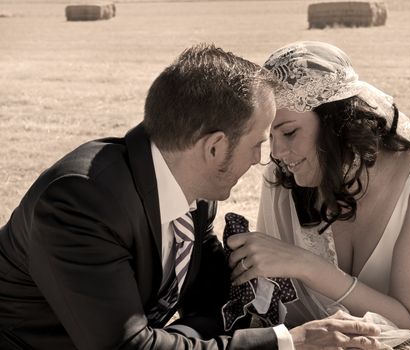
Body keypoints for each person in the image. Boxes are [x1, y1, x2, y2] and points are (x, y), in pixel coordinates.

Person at [0, 43, 385, 350]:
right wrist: (286, 342)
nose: (261, 159)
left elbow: (208, 295)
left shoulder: (192, 184)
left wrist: (250, 292)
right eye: (256, 143)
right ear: (215, 148)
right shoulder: (81, 201)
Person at [227, 41, 410, 335]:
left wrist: (305, 264)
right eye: (271, 135)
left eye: (290, 132)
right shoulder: (282, 178)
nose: (276, 152)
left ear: (335, 121)